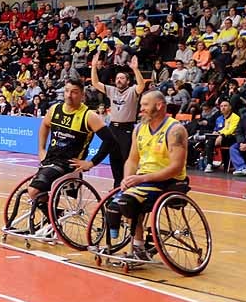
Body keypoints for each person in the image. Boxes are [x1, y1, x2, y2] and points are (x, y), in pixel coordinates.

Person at [105, 91, 189, 261]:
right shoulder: (139, 128)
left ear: (159, 106)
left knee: (128, 202)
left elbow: (176, 167)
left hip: (169, 181)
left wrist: (142, 179)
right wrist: (126, 180)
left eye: (145, 105)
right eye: (141, 105)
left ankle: (139, 247)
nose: (140, 109)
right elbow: (132, 160)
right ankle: (121, 240)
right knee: (112, 204)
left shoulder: (175, 130)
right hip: (143, 180)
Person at [26, 79, 117, 213]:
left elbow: (110, 140)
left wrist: (91, 163)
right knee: (38, 191)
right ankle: (53, 218)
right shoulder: (55, 109)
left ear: (82, 95)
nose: (69, 95)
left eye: (74, 92)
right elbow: (45, 125)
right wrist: (41, 149)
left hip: (68, 164)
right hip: (50, 160)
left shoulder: (89, 116)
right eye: (67, 91)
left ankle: (54, 219)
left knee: (33, 190)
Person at [90, 54, 145, 188]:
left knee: (126, 159)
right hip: (113, 128)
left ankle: (127, 187)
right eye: (117, 78)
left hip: (127, 129)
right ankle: (116, 187)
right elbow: (95, 83)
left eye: (122, 78)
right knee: (114, 159)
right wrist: (93, 66)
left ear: (127, 81)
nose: (119, 80)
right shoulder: (111, 90)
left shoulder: (132, 91)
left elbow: (141, 85)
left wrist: (135, 69)